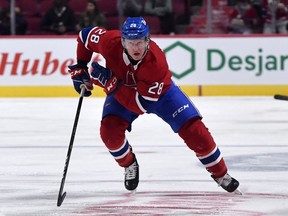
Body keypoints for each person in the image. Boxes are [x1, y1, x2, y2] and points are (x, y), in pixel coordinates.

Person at [67, 17, 240, 193]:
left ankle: (220, 174)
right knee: (109, 132)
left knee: (195, 130)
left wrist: (109, 84)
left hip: (162, 95)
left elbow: (141, 105)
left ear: (148, 40)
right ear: (123, 41)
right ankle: (129, 164)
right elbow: (85, 36)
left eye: (140, 42)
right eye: (131, 42)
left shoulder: (156, 62)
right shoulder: (110, 42)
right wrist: (81, 65)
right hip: (123, 90)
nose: (136, 47)